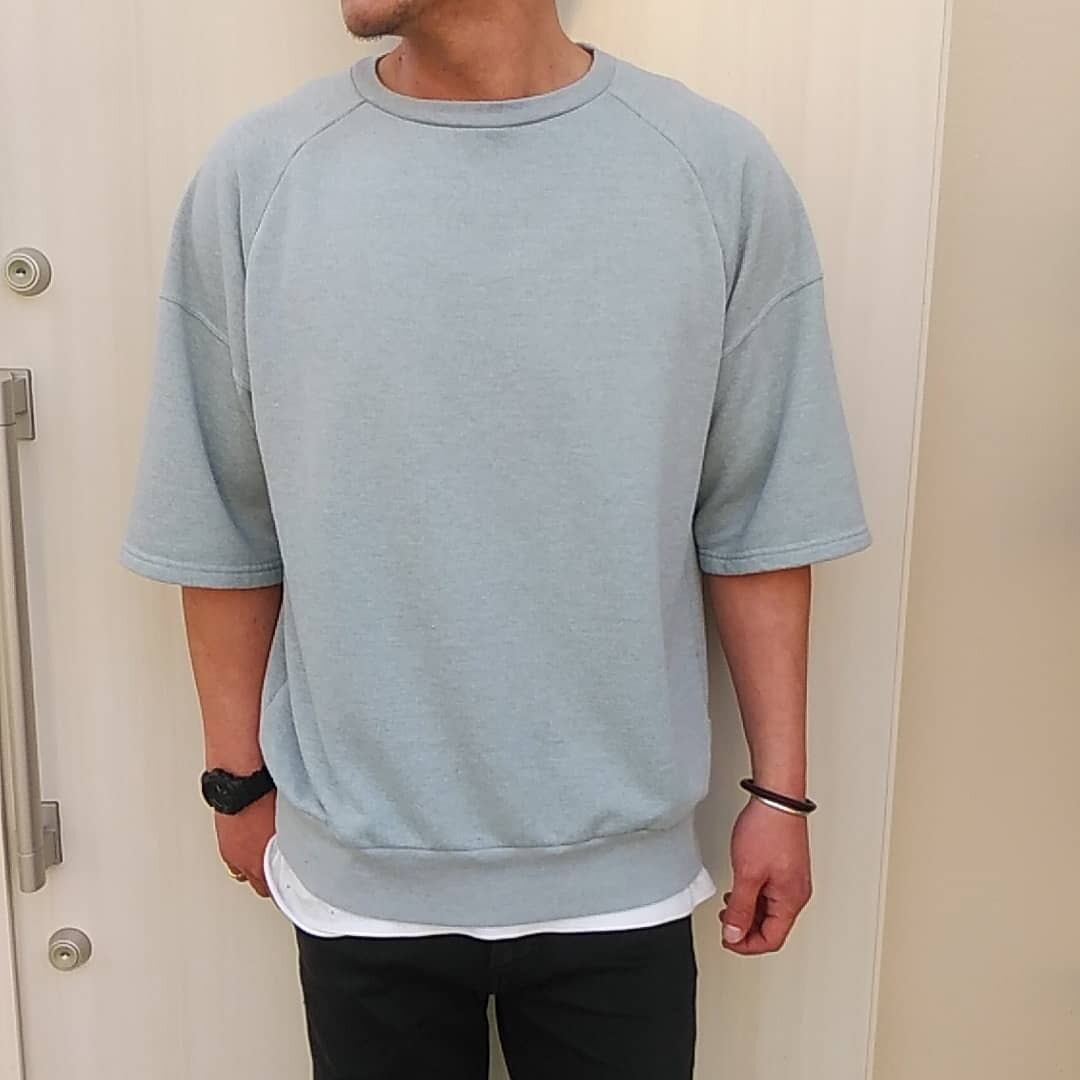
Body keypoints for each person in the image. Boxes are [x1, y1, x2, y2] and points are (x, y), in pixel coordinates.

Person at [119, 2, 872, 1076]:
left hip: (621, 885)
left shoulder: (712, 171)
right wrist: (235, 779)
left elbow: (759, 516)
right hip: (360, 885)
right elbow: (221, 515)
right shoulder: (260, 177)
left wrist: (782, 793)